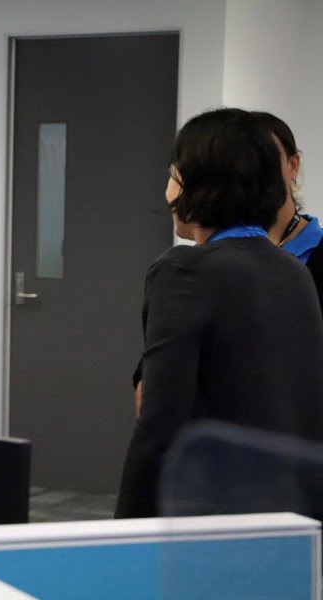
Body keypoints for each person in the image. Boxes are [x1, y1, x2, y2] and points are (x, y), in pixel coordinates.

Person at [115, 108, 323, 519]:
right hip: (287, 513)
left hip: (209, 516)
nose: (167, 191)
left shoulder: (183, 270)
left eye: (173, 174)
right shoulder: (294, 271)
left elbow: (158, 427)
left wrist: (124, 536)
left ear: (201, 183)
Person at [255, 112, 323, 307]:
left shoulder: (316, 250)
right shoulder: (223, 254)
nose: (250, 172)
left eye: (263, 159)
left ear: (292, 165)